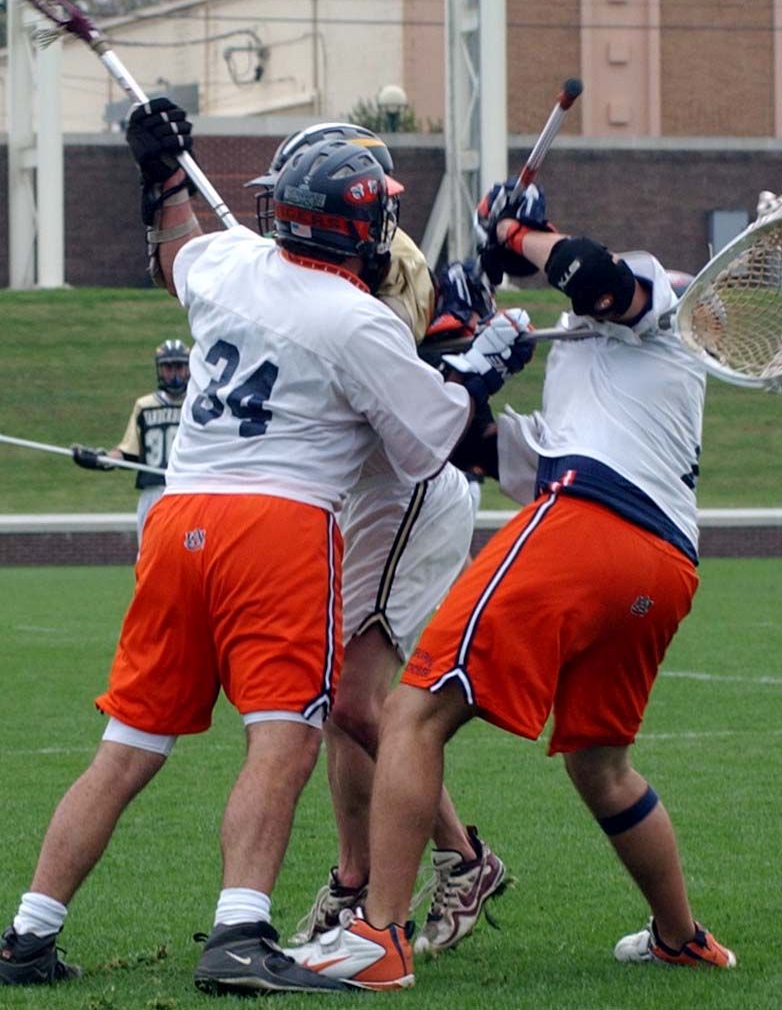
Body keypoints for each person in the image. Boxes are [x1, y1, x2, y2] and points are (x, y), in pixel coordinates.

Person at [0, 102, 532, 997]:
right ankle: (240, 932)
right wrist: (489, 362)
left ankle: (28, 935)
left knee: (126, 746)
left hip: (178, 519)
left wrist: (162, 176)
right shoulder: (355, 319)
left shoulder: (229, 262)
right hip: (274, 528)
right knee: (281, 741)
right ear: (360, 224)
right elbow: (432, 440)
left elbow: (174, 251)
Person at [286, 181, 737, 989]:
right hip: (663, 567)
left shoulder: (659, 298)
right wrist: (471, 360)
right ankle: (681, 936)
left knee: (413, 712)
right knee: (599, 763)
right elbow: (476, 448)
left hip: (592, 523)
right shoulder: (603, 384)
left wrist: (516, 235)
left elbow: (593, 274)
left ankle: (379, 939)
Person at [248, 123, 509, 955]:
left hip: (406, 494)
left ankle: (462, 857)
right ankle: (354, 876)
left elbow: (402, 388)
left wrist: (460, 335)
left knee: (356, 698)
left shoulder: (388, 268)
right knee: (337, 698)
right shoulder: (312, 266)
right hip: (363, 496)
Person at [71, 339, 190, 544]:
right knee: (149, 554)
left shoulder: (199, 405)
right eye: (168, 368)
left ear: (188, 368)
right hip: (154, 492)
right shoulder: (145, 406)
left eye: (179, 367)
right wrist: (99, 459)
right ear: (160, 370)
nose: (174, 374)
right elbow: (129, 452)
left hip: (188, 490)